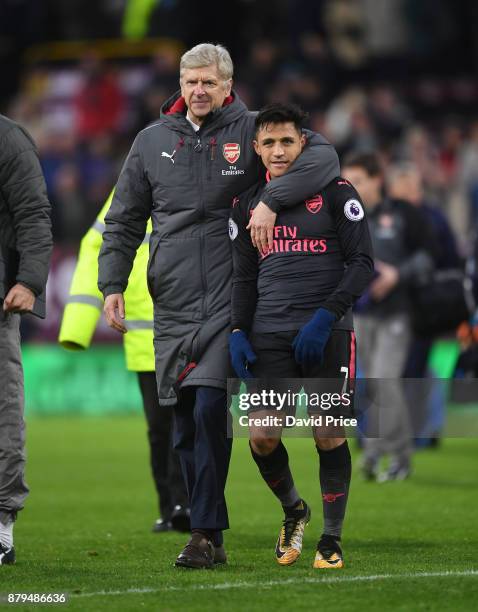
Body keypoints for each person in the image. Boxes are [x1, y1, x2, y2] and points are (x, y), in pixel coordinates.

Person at [98, 43, 340, 569]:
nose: (199, 91)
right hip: (175, 301)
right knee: (184, 421)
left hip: (234, 300)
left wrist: (273, 200)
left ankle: (205, 534)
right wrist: (111, 282)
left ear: (228, 86)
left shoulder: (253, 131)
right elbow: (122, 220)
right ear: (180, 85)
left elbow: (323, 156)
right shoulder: (151, 141)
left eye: (209, 82)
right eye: (191, 82)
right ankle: (229, 524)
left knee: (210, 404)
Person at [229, 103, 373, 569]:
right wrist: (237, 330)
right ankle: (295, 511)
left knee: (328, 433)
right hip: (268, 334)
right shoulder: (247, 203)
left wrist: (325, 317)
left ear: (303, 143)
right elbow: (243, 278)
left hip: (325, 334)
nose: (277, 150)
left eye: (287, 141)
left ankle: (331, 539)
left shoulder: (337, 193)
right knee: (262, 436)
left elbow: (362, 264)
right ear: (256, 148)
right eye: (268, 142)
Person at [58, 190, 190, 534]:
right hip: (145, 336)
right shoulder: (130, 190)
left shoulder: (193, 178)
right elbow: (94, 246)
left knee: (187, 422)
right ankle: (170, 507)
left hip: (191, 330)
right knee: (161, 429)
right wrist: (77, 325)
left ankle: (185, 504)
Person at [342, 152, 436, 482]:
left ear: (377, 180)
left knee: (385, 380)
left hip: (397, 313)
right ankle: (379, 454)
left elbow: (429, 256)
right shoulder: (345, 216)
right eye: (347, 181)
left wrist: (396, 274)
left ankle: (394, 456)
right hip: (362, 313)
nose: (350, 187)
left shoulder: (402, 213)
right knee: (376, 385)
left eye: (358, 181)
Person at [0, 114, 52, 565]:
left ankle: (1, 524)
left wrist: (30, 281)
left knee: (2, 410)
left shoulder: (8, 139)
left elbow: (33, 213)